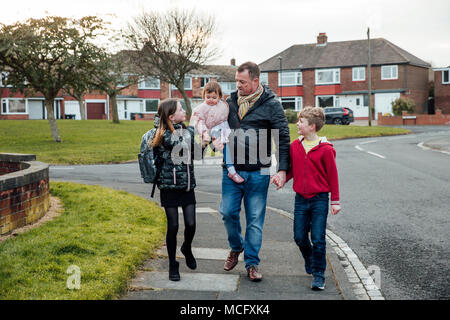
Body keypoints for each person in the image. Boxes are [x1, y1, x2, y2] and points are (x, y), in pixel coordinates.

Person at [215, 61, 290, 282]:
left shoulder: (272, 105)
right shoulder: (229, 103)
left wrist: (283, 169)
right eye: (237, 81)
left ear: (255, 81)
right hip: (231, 172)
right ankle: (236, 247)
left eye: (242, 82)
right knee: (228, 212)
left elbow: (283, 138)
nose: (237, 85)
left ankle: (252, 263)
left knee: (255, 219)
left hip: (259, 172)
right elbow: (217, 129)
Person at [273, 106, 341, 290]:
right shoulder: (295, 146)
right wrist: (282, 179)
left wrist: (335, 201)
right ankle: (309, 258)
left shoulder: (326, 150)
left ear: (312, 126)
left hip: (320, 199)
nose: (297, 124)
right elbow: (293, 170)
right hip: (301, 199)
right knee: (299, 237)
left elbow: (333, 176)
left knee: (318, 238)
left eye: (301, 121)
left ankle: (319, 275)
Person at [152, 98, 198, 281]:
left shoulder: (185, 131)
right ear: (172, 116)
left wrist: (207, 143)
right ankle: (173, 263)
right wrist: (193, 129)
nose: (184, 111)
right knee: (173, 226)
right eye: (181, 109)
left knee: (191, 224)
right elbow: (176, 142)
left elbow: (194, 153)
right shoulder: (163, 133)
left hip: (187, 186)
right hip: (169, 187)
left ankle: (186, 247)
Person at [190, 81, 244, 183]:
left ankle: (235, 165)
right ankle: (231, 170)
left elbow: (231, 114)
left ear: (219, 97)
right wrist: (205, 133)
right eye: (208, 97)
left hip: (225, 128)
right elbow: (199, 121)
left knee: (233, 144)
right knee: (225, 147)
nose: (211, 100)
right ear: (204, 96)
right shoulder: (201, 108)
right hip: (212, 130)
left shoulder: (224, 105)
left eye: (214, 97)